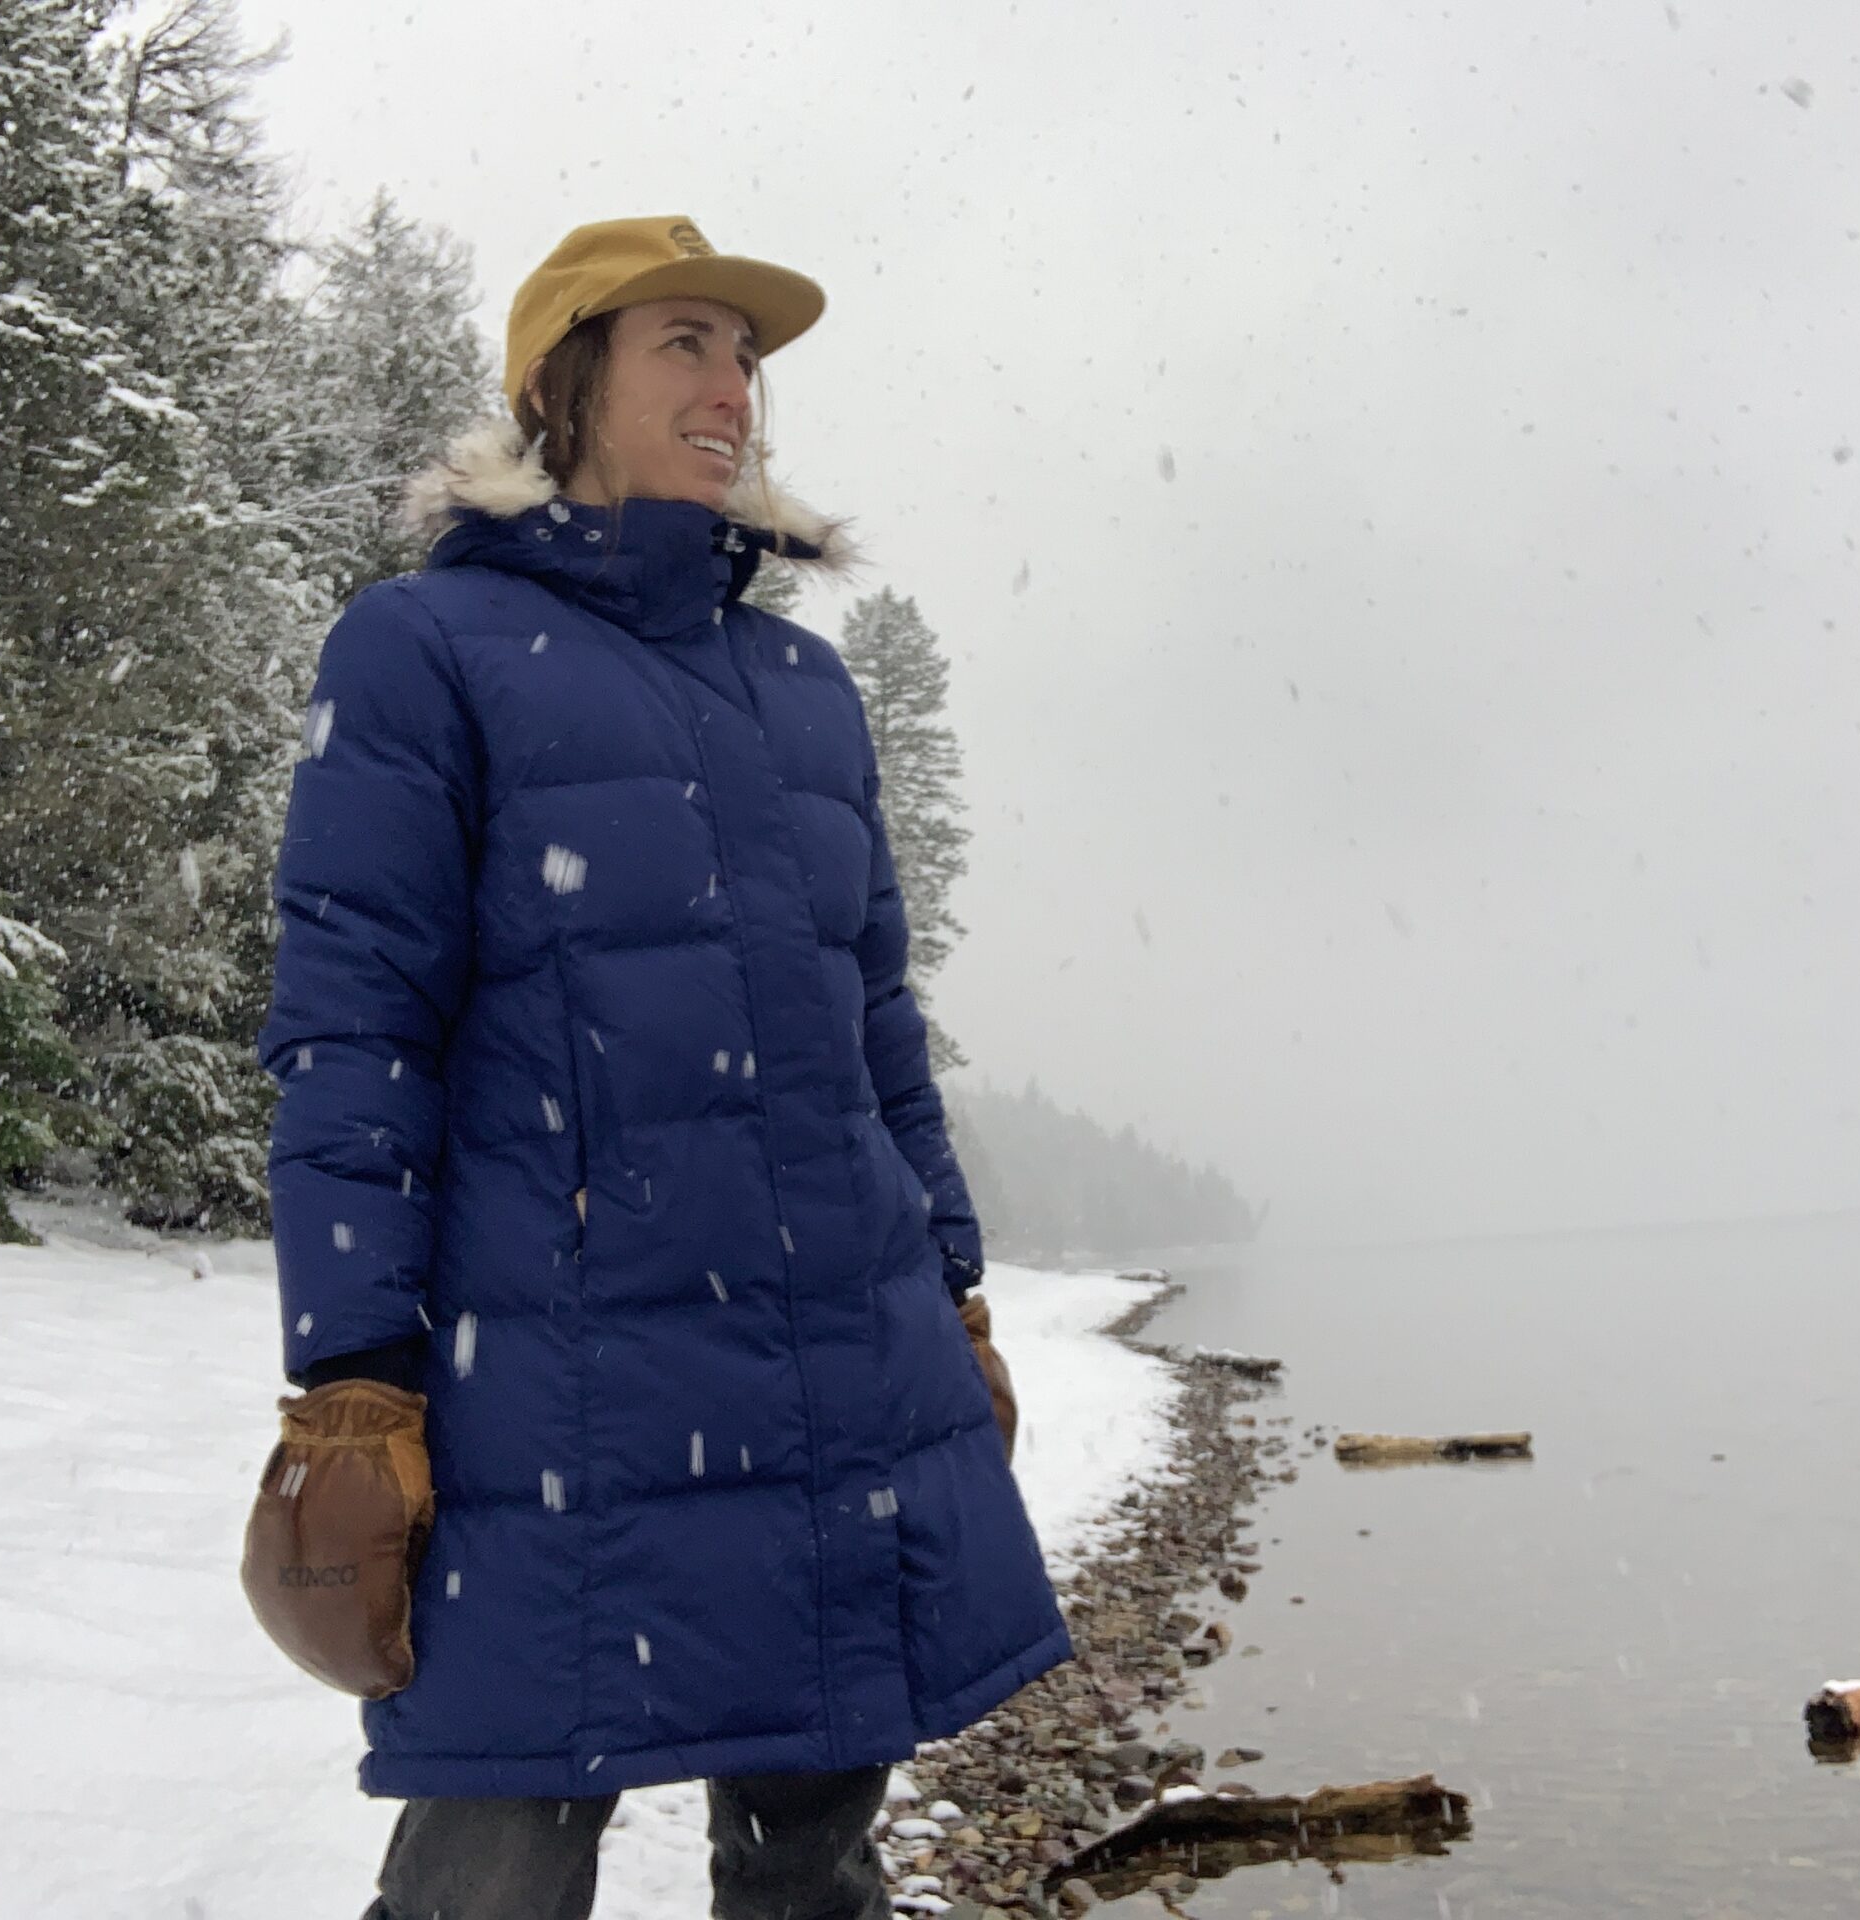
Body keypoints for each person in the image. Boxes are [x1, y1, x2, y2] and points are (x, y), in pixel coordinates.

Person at [254, 216, 1069, 1920]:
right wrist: (354, 1377)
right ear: (564, 386)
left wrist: (958, 1290)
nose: (734, 388)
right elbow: (355, 1031)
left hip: (843, 1366)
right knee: (494, 1865)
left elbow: (875, 1035)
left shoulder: (805, 687)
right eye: (685, 343)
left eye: (748, 356)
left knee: (816, 1863)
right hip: (556, 1392)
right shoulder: (424, 649)